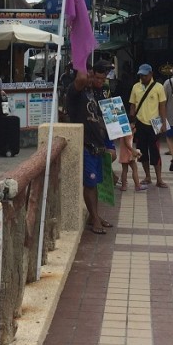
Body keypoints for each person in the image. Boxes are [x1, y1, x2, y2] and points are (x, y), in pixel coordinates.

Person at [66, 59, 115, 235]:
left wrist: (110, 144)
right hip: (85, 145)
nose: (93, 78)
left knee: (96, 184)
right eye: (90, 75)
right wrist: (81, 51)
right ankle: (94, 219)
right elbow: (80, 79)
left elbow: (108, 118)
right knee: (90, 184)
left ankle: (95, 215)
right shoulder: (75, 91)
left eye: (96, 76)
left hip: (98, 146)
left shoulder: (94, 92)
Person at [130, 63, 169, 188]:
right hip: (140, 123)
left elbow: (162, 106)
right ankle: (147, 176)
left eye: (145, 75)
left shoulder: (158, 87)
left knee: (155, 152)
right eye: (141, 75)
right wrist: (131, 121)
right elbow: (132, 105)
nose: (142, 78)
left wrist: (163, 123)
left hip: (154, 123)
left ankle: (159, 179)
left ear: (151, 74)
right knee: (142, 151)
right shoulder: (136, 87)